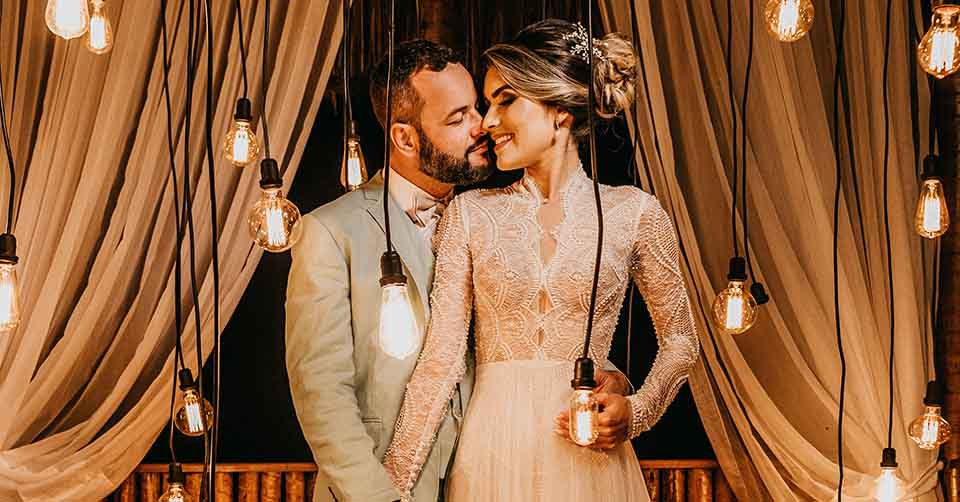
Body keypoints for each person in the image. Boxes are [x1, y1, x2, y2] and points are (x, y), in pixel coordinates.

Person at [285, 39, 632, 502]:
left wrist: (613, 379)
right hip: (383, 487)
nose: (484, 126)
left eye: (478, 107)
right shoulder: (329, 233)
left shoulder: (495, 216)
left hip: (491, 478)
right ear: (405, 138)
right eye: (458, 117)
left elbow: (535, 326)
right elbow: (321, 395)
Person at [382, 20, 700, 502]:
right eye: (488, 104)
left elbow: (681, 340)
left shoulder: (635, 213)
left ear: (560, 112)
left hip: (591, 457)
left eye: (505, 100)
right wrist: (390, 487)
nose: (487, 121)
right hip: (490, 454)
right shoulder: (470, 215)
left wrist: (636, 410)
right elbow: (440, 361)